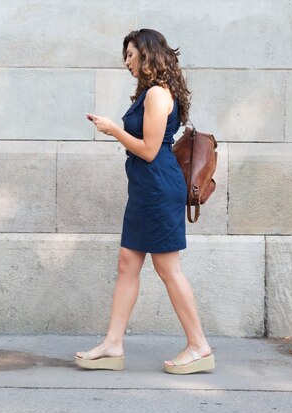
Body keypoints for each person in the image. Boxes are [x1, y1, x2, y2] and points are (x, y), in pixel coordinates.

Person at [76, 29, 214, 375]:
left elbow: (150, 151)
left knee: (168, 268)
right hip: (145, 190)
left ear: (147, 55)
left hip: (157, 188)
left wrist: (113, 130)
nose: (127, 62)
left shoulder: (156, 94)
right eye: (125, 56)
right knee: (127, 262)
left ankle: (199, 346)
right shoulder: (151, 92)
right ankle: (112, 344)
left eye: (131, 55)